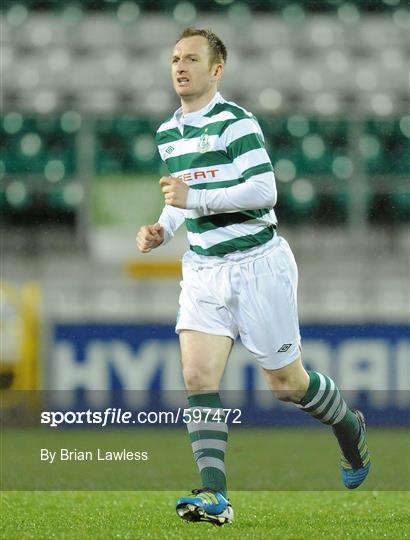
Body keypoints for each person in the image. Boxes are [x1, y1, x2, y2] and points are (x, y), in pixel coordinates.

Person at [136, 27, 370, 526]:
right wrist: (164, 226)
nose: (180, 66)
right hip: (203, 268)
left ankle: (349, 426)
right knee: (197, 376)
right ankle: (215, 495)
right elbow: (183, 196)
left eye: (192, 59)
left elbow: (264, 191)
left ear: (216, 70)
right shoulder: (167, 133)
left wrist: (191, 200)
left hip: (257, 265)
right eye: (175, 58)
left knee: (287, 386)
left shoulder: (235, 123)